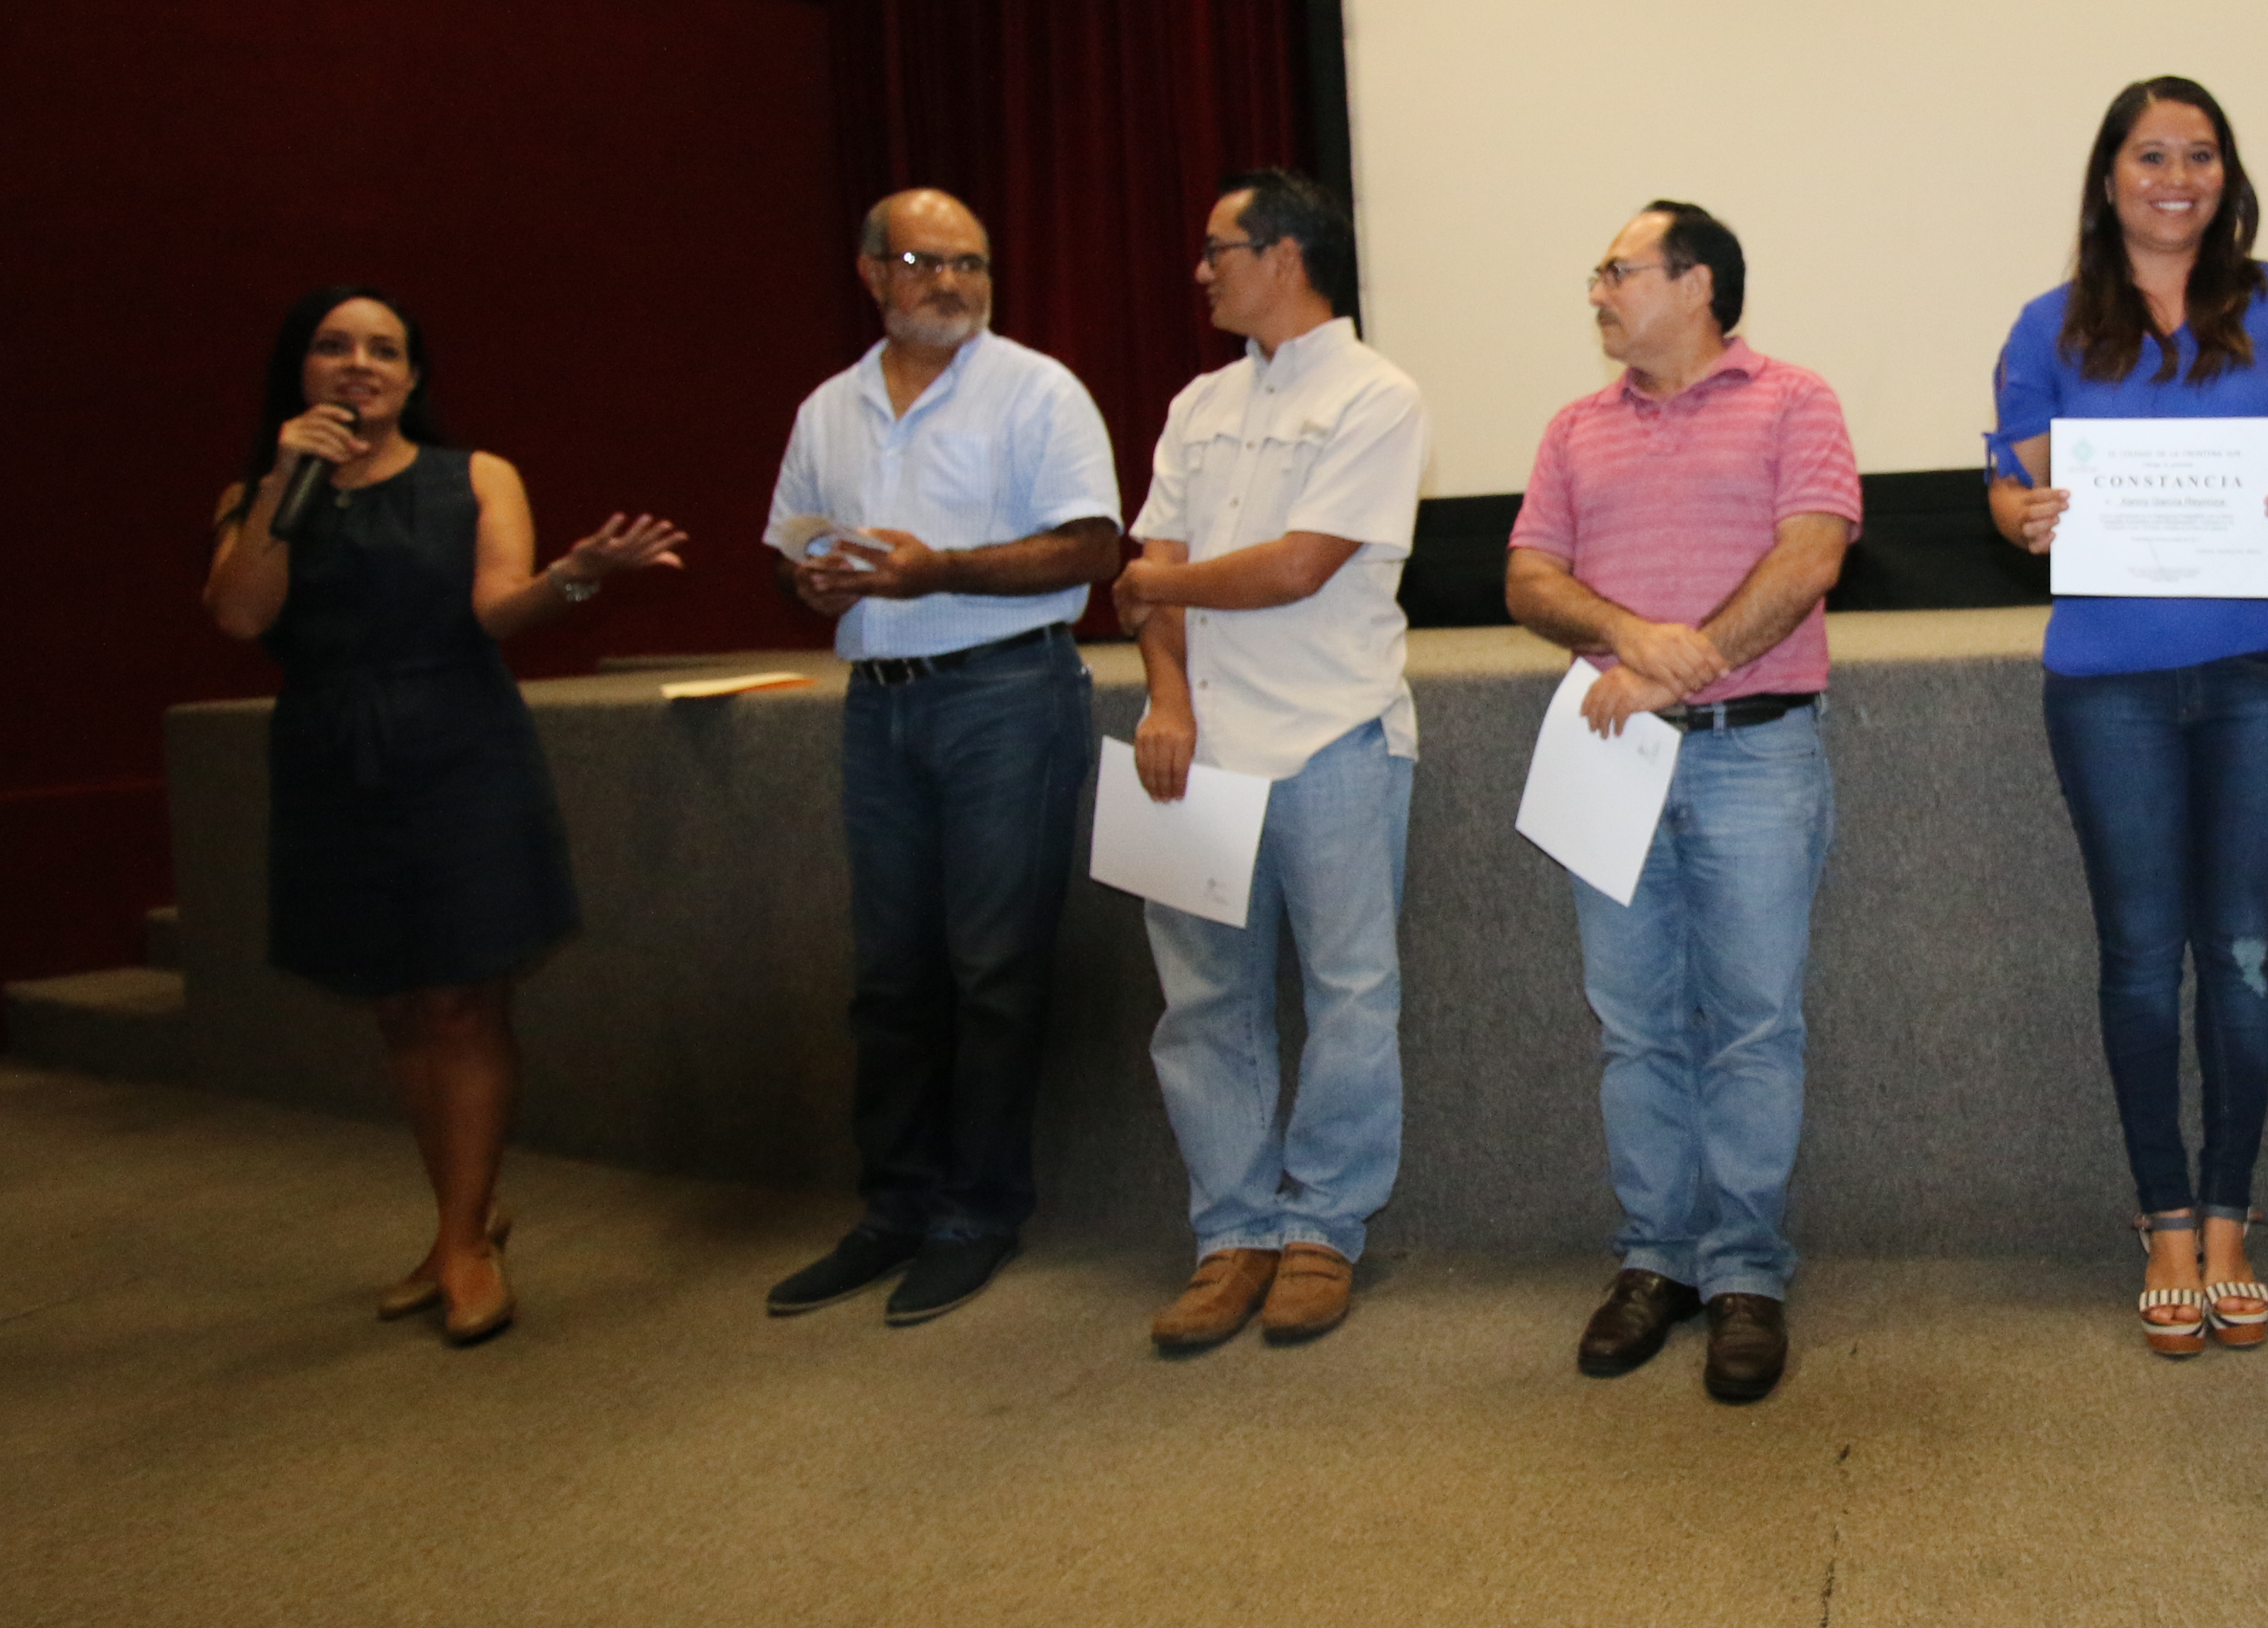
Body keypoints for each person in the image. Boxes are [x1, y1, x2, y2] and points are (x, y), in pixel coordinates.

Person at [202, 286, 686, 1346]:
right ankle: (457, 1220)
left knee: (465, 1001)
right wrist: (287, 478)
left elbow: (497, 610)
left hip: (458, 747)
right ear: (301, 373)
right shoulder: (260, 492)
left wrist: (575, 579)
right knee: (397, 1005)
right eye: (335, 348)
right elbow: (242, 615)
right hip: (331, 758)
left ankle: (467, 1240)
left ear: (414, 378)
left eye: (385, 350)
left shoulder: (473, 476)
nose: (360, 365)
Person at [1988, 77, 2268, 1356]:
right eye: (2152, 155)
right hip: (2111, 683)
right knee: (2143, 957)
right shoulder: (2048, 326)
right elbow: (2013, 488)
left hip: (2265, 669)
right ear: (2109, 176)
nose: (2177, 176)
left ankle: (2232, 1217)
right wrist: (2023, 517)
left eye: (2201, 155)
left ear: (2227, 174)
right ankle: (2161, 1217)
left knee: (2245, 954)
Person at [1507, 201, 1860, 1405]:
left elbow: (1812, 555)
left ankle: (1749, 1272)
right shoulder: (1574, 428)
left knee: (1755, 1021)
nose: (1598, 290)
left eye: (1619, 269)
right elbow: (1527, 576)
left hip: (1754, 753)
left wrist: (1686, 658)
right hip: (1613, 759)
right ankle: (1656, 1261)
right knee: (1637, 1020)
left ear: (1697, 283)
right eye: (1599, 271)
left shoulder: (1794, 400)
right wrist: (1627, 638)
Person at [761, 189, 1121, 1329]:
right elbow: (790, 549)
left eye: (973, 263)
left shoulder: (1038, 390)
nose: (953, 283)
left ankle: (978, 1215)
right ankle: (895, 1207)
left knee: (994, 973)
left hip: (1006, 695)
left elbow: (1092, 548)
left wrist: (938, 571)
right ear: (872, 273)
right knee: (892, 977)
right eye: (926, 261)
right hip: (879, 703)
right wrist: (808, 581)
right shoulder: (829, 408)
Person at [1114, 170, 1428, 1350]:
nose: (1200, 270)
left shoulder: (1376, 395)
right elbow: (1154, 560)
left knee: (1351, 995)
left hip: (1332, 739)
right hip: (1191, 750)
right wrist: (1167, 697)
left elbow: (1298, 568)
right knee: (1201, 1003)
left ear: (1285, 255)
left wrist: (1159, 584)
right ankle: (1230, 1233)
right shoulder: (1196, 403)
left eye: (1218, 248)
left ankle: (1323, 1231)